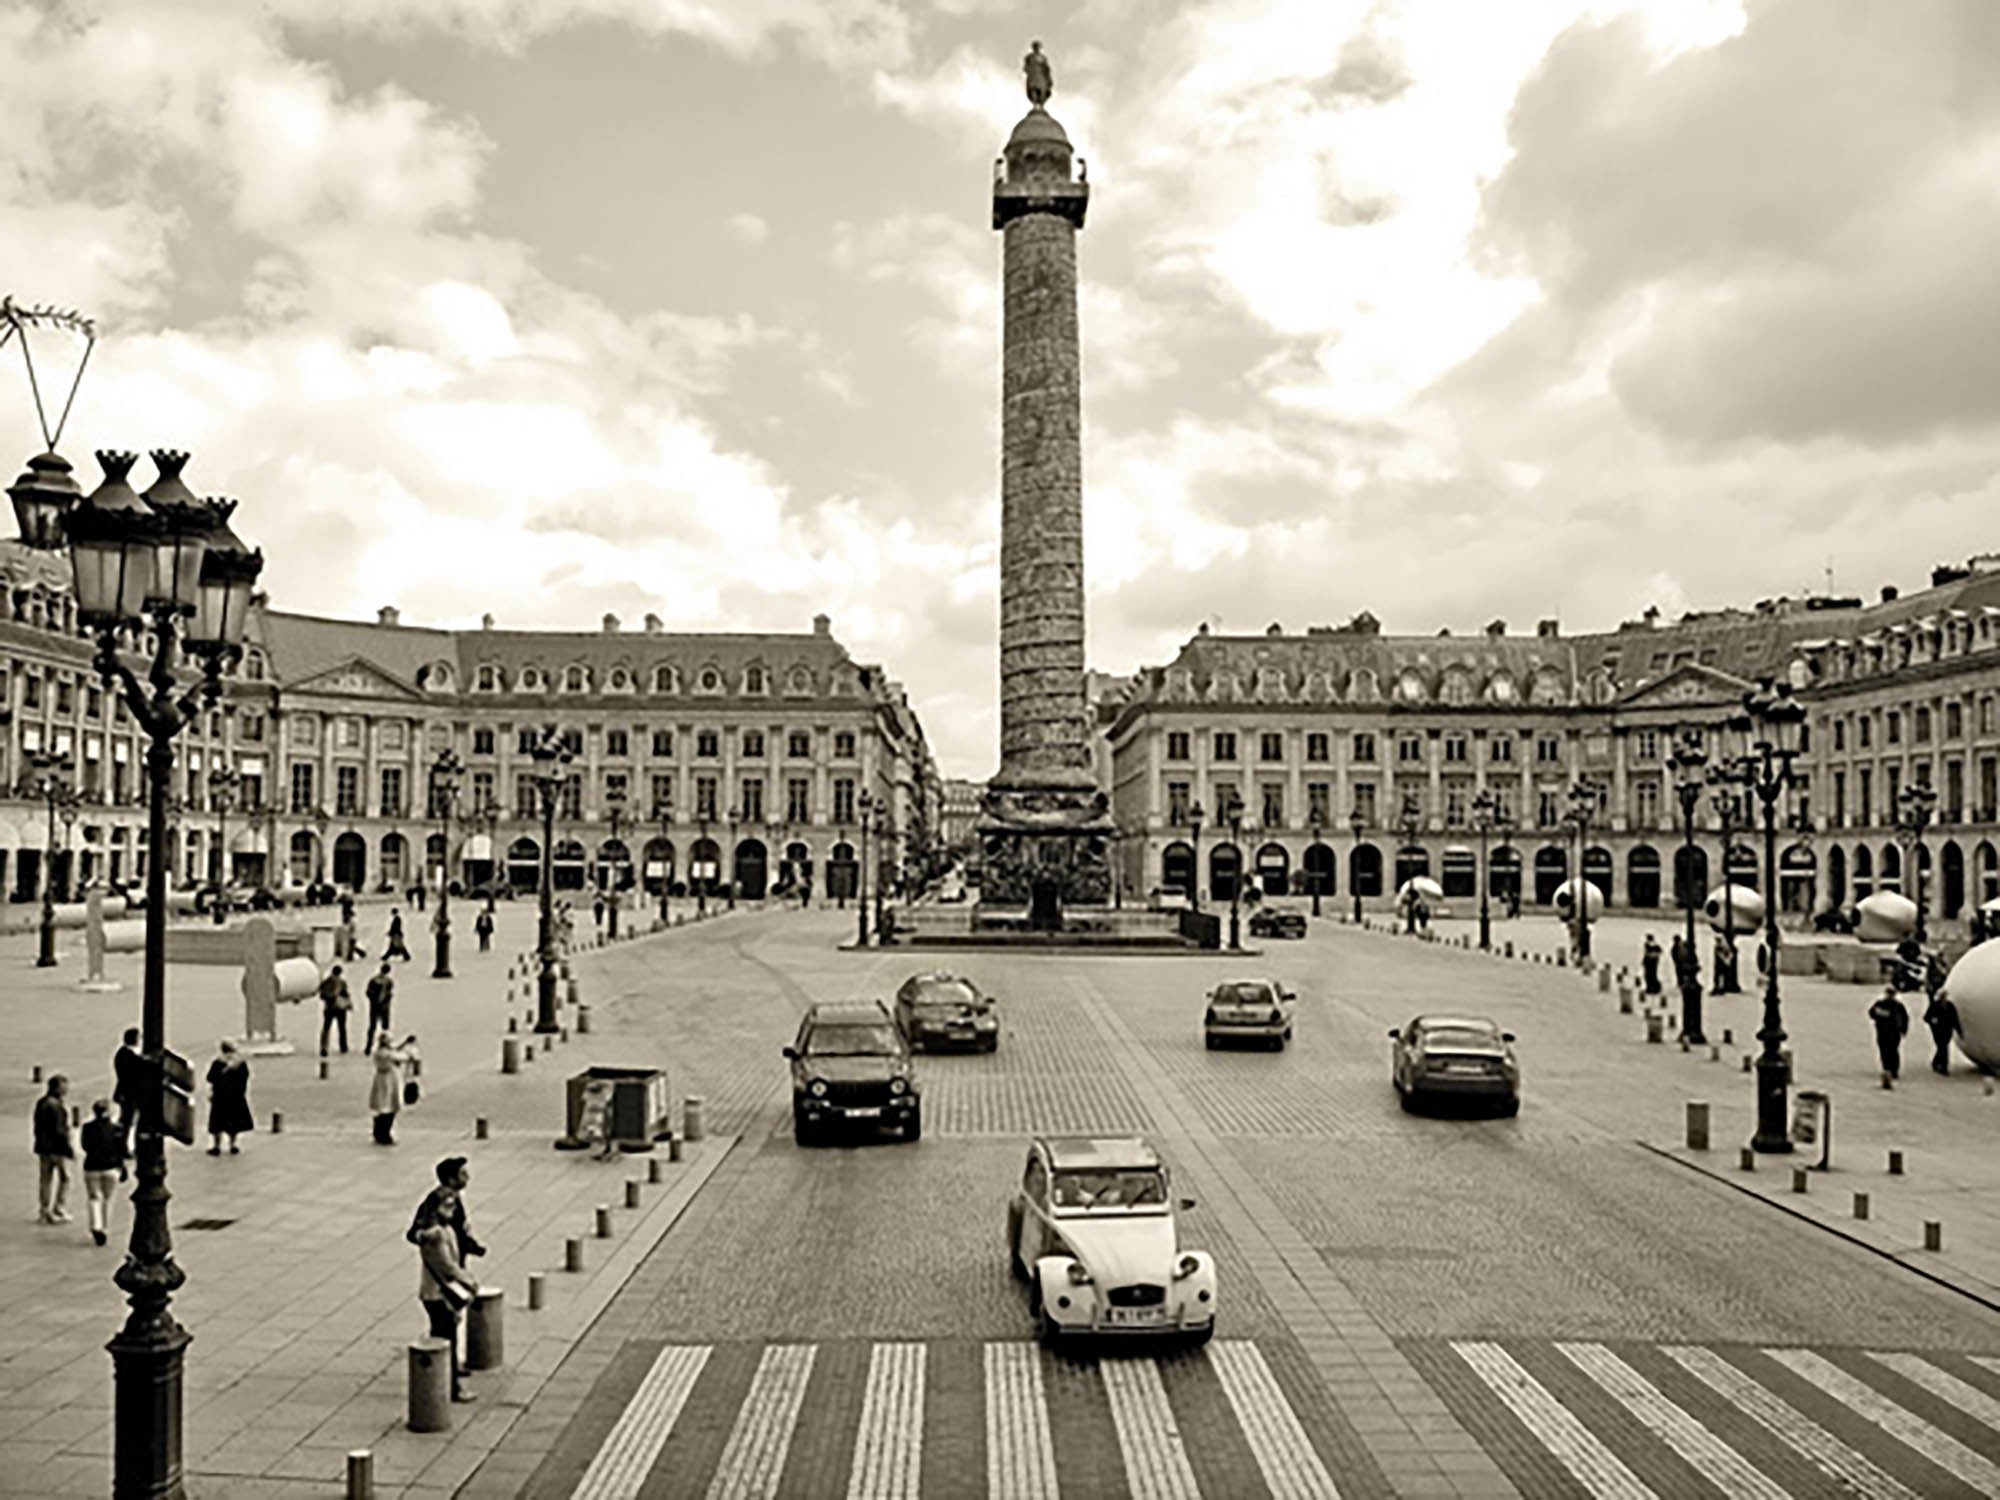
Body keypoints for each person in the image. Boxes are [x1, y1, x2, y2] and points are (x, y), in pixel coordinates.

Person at [410, 1186, 479, 1404]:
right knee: (447, 1339)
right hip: (439, 1295)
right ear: (436, 1207)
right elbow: (447, 1266)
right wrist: (469, 1281)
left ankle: (443, 1382)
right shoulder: (437, 1235)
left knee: (442, 1336)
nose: (452, 1209)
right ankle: (451, 1388)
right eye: (447, 1205)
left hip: (434, 1294)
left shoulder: (440, 1230)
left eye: (453, 1205)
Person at [408, 1157, 487, 1265]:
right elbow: (417, 1231)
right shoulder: (439, 1200)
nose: (468, 1177)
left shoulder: (452, 1197)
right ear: (451, 1179)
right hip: (445, 1263)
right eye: (463, 1174)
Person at [79, 1099, 129, 1247]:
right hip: (111, 1167)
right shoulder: (117, 1129)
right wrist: (122, 1167)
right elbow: (122, 1150)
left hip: (92, 1166)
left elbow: (84, 1146)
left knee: (94, 1198)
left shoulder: (87, 1128)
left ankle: (96, 1225)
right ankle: (104, 1228)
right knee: (108, 1199)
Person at [33, 1074, 74, 1225]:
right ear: (57, 1088)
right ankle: (59, 1208)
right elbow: (59, 1131)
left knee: (45, 1179)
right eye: (64, 1086)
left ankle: (44, 1210)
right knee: (65, 1178)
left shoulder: (42, 1102)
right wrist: (68, 1149)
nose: (66, 1089)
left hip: (43, 1148)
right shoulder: (55, 1105)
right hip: (57, 1149)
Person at [205, 1041, 253, 1154]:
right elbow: (245, 1078)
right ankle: (233, 1145)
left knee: (217, 1123)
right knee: (234, 1122)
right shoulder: (240, 1063)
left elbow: (210, 1078)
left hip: (220, 1097)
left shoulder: (218, 1062)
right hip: (236, 1097)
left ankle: (216, 1146)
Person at [371, 1034, 418, 1145]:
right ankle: (383, 1134)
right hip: (389, 1082)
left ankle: (379, 1132)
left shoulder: (380, 1052)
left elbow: (395, 1050)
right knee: (388, 1108)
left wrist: (404, 1043)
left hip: (383, 1080)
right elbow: (402, 1056)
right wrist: (410, 1051)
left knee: (384, 1106)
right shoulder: (386, 1054)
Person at [1868, 987, 1910, 1089]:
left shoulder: (1898, 1006)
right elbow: (1871, 1013)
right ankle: (1887, 1069)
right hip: (1882, 1032)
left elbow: (1905, 1018)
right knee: (1884, 1051)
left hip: (1894, 1033)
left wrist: (1903, 1030)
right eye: (1889, 994)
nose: (1890, 996)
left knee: (1893, 1051)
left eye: (1892, 994)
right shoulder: (1880, 1004)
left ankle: (1893, 1070)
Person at [112, 1027, 144, 1144]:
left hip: (127, 1093)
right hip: (129, 1093)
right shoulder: (127, 1055)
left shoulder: (123, 1053)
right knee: (127, 1120)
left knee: (127, 1119)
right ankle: (121, 1143)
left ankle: (122, 1142)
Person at [1924, 988, 1964, 1076]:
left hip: (1947, 1030)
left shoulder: (1950, 1006)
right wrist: (1933, 1021)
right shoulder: (1935, 1005)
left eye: (1945, 996)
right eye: (1942, 996)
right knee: (1943, 1048)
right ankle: (1943, 1068)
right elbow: (1927, 1017)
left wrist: (1959, 1031)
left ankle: (1936, 1062)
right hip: (1938, 1030)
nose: (1943, 997)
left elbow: (1955, 1019)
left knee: (1942, 1048)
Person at [318, 963, 353, 1056]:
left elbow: (321, 995)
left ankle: (323, 1047)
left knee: (326, 1028)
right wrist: (349, 1004)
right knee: (342, 1028)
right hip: (340, 1008)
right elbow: (346, 995)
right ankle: (343, 1047)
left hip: (329, 1008)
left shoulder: (326, 982)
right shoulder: (342, 982)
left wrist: (329, 998)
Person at [365, 960, 396, 1054]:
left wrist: (373, 1000)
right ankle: (385, 1045)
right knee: (385, 1027)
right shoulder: (389, 981)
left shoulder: (373, 980)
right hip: (385, 1007)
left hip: (374, 1006)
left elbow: (368, 992)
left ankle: (369, 1046)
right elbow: (389, 993)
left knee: (372, 1026)